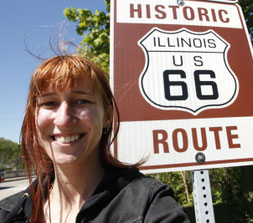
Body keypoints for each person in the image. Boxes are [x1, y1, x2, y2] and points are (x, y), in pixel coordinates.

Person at [0, 55, 190, 223]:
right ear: (34, 116)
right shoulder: (8, 211)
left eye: (81, 101)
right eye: (49, 103)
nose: (64, 120)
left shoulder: (150, 205)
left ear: (107, 114)